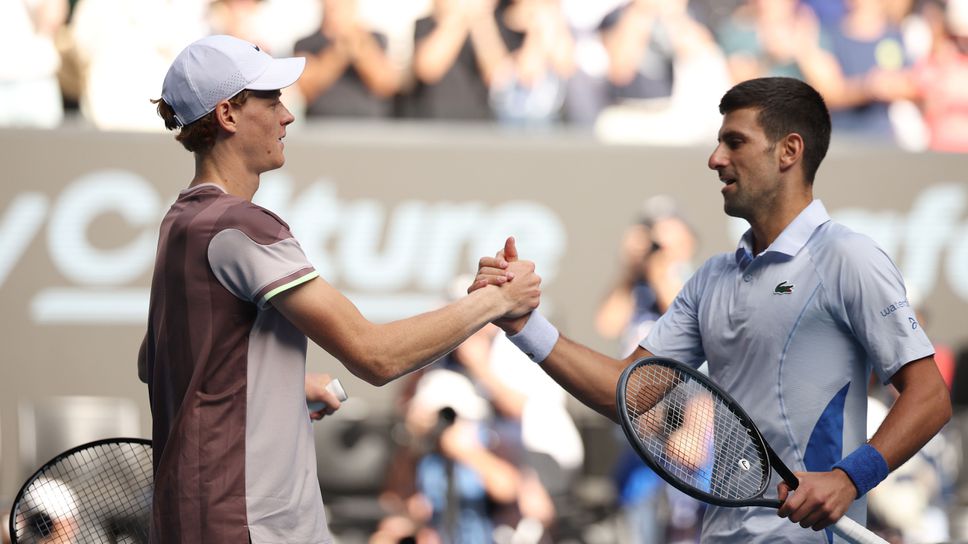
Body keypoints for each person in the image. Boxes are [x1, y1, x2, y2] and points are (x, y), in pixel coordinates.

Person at [472, 76, 951, 542]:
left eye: (734, 142)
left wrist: (849, 479)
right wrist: (524, 325)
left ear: (789, 151)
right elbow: (628, 393)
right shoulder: (712, 278)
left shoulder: (848, 258)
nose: (715, 159)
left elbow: (929, 396)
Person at [138, 34, 541, 544]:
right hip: (250, 530)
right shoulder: (242, 227)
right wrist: (495, 301)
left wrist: (279, 387)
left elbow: (163, 364)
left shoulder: (181, 222)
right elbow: (376, 357)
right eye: (272, 100)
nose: (287, 116)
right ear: (227, 115)